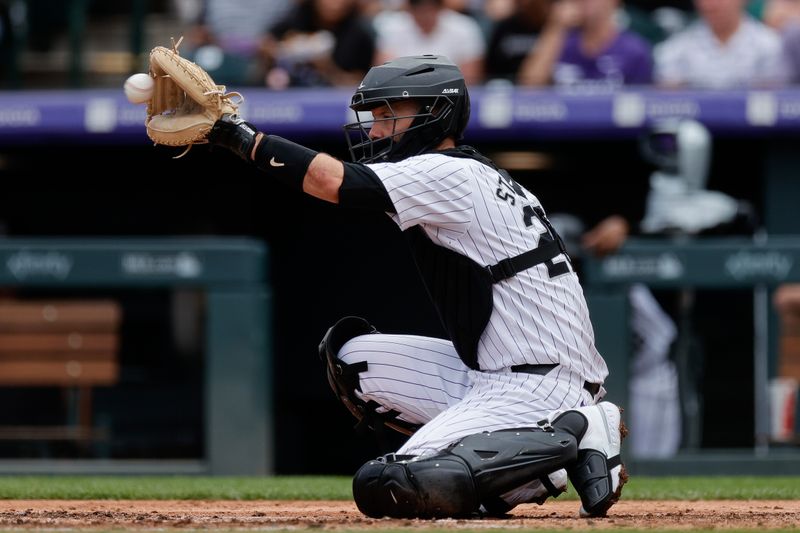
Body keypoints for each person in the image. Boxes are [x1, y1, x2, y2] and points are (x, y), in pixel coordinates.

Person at [205, 55, 627, 519]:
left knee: (391, 484)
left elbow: (330, 181)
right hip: (494, 372)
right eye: (377, 116)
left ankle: (571, 433)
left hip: (537, 385)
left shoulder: (448, 173)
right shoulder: (468, 173)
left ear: (437, 113)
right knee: (353, 359)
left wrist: (235, 134)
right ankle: (531, 455)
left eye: (391, 115)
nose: (375, 129)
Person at [654, 0, 790, 88]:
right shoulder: (674, 49)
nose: (710, 4)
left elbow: (772, 103)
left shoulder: (771, 45)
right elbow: (668, 103)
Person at [517, 0, 653, 87]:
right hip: (564, 128)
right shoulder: (559, 43)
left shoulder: (634, 50)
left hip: (613, 130)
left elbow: (641, 105)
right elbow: (529, 87)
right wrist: (555, 28)